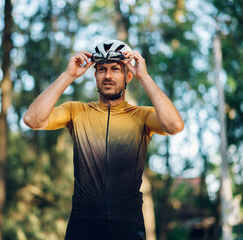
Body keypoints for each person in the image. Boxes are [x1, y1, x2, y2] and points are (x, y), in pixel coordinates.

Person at [23, 39, 184, 240]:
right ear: (95, 75)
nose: (107, 75)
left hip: (127, 223)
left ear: (128, 76)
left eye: (115, 69)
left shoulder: (142, 116)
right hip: (83, 223)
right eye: (101, 70)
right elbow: (33, 119)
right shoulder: (76, 111)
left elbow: (174, 126)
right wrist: (68, 75)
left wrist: (144, 77)